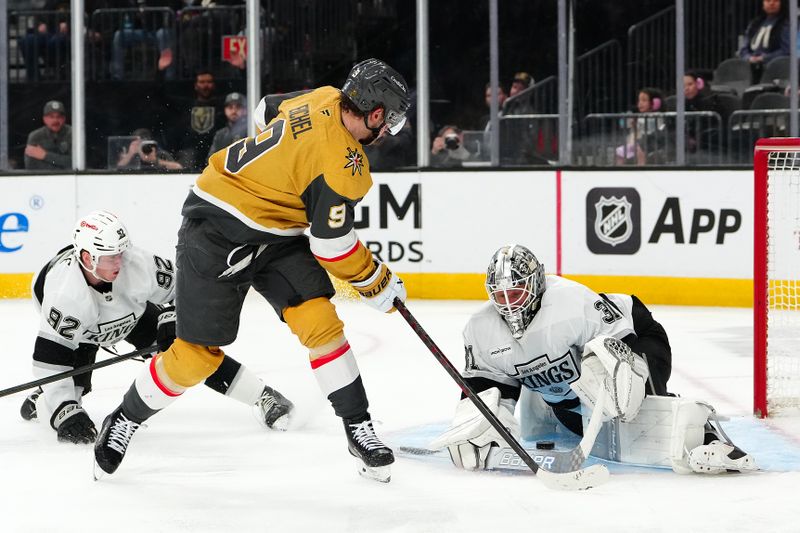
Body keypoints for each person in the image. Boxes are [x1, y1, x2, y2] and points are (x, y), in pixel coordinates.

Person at [93, 58, 410, 483]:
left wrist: (277, 171)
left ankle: (358, 428)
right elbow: (332, 247)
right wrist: (377, 282)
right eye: (387, 120)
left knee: (319, 321)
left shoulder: (325, 96)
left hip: (275, 236)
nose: (387, 130)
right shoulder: (344, 165)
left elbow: (264, 110)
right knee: (195, 357)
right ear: (374, 114)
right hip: (215, 229)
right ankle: (124, 419)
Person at [431, 244, 756, 475]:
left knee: (625, 400)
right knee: (577, 413)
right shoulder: (482, 328)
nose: (508, 304)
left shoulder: (569, 305)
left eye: (515, 293)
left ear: (535, 284)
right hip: (571, 393)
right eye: (499, 296)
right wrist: (480, 429)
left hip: (635, 333)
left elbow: (622, 356)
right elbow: (486, 387)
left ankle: (706, 433)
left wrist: (637, 398)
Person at [21, 210, 294, 445]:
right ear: (86, 257)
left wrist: (171, 317)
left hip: (131, 314)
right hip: (84, 332)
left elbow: (185, 289)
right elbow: (51, 362)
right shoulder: (65, 297)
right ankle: (45, 400)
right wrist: (64, 411)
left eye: (120, 253)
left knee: (189, 352)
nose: (118, 262)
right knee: (71, 395)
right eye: (108, 257)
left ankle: (263, 396)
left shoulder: (138, 263)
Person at [166, 69, 225, 171]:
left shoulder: (222, 104)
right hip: (189, 152)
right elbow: (161, 96)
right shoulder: (186, 105)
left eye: (209, 82)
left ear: (214, 85)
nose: (205, 86)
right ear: (195, 85)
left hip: (215, 150)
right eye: (202, 82)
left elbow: (249, 88)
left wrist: (243, 69)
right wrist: (161, 72)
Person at [738, 0, 790, 84]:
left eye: (776, 0)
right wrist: (749, 58)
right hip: (750, 68)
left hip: (773, 70)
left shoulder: (786, 24)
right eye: (768, 0)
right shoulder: (755, 24)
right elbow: (743, 49)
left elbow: (786, 50)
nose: (771, 3)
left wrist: (763, 58)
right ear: (762, 4)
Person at [615, 87, 666, 166]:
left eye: (644, 100)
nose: (640, 103)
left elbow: (658, 131)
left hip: (652, 143)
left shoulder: (658, 116)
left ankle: (641, 168)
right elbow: (635, 133)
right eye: (639, 100)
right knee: (620, 152)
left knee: (640, 149)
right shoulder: (639, 116)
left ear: (656, 103)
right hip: (638, 142)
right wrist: (633, 126)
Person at [24, 100, 72, 171]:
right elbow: (31, 166)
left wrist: (45, 155)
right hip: (43, 179)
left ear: (64, 119)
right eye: (51, 117)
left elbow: (77, 162)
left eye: (59, 117)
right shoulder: (35, 136)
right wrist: (61, 164)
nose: (55, 120)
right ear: (44, 119)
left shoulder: (73, 134)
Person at [116, 128, 183, 170]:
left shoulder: (161, 154)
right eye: (138, 144)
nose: (140, 147)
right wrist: (129, 155)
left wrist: (155, 160)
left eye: (143, 144)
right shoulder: (130, 156)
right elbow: (116, 169)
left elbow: (178, 167)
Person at [207, 92, 248, 158]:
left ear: (245, 110)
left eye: (238, 107)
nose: (234, 111)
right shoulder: (220, 135)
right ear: (225, 110)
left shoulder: (251, 131)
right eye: (230, 107)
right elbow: (211, 159)